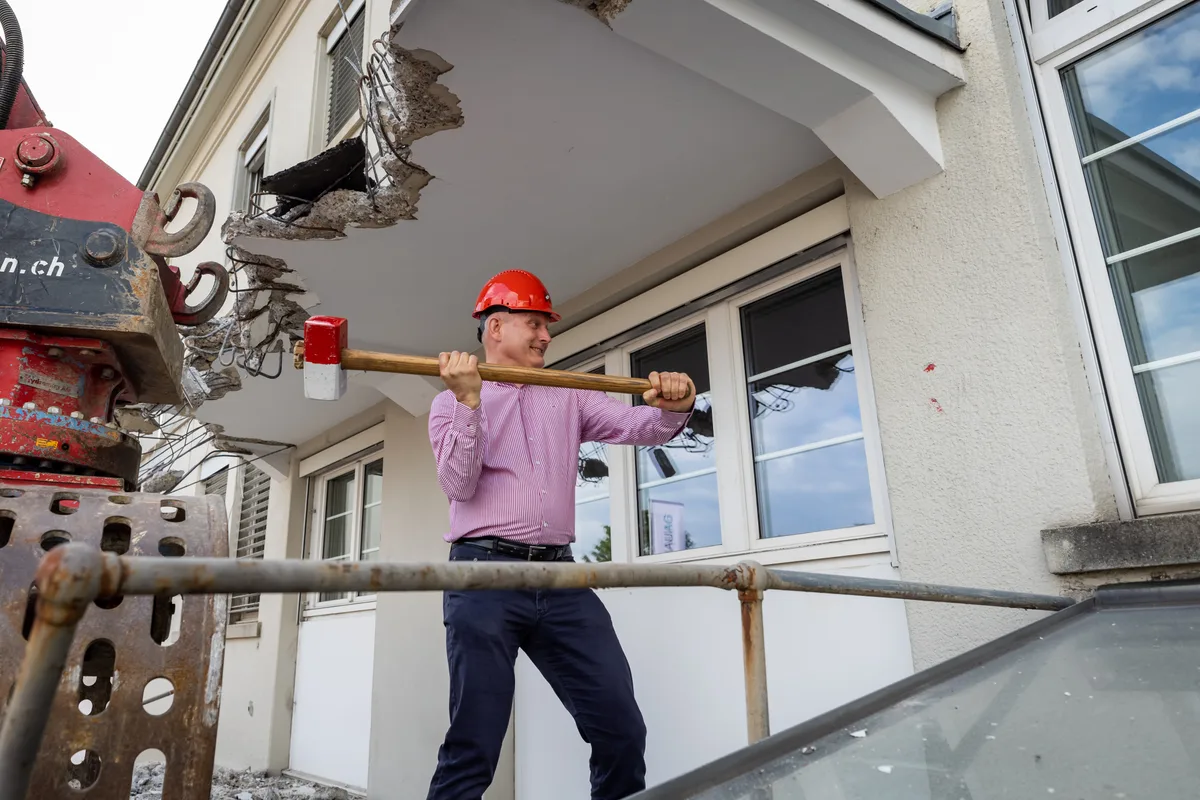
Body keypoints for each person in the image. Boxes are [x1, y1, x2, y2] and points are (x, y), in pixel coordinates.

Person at [425, 269, 696, 800]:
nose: (546, 336)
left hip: (560, 575)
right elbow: (458, 482)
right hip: (483, 574)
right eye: (534, 323)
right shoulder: (448, 403)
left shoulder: (566, 393)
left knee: (621, 728)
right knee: (474, 742)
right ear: (495, 327)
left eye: (547, 326)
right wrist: (469, 403)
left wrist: (676, 405)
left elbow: (638, 427)